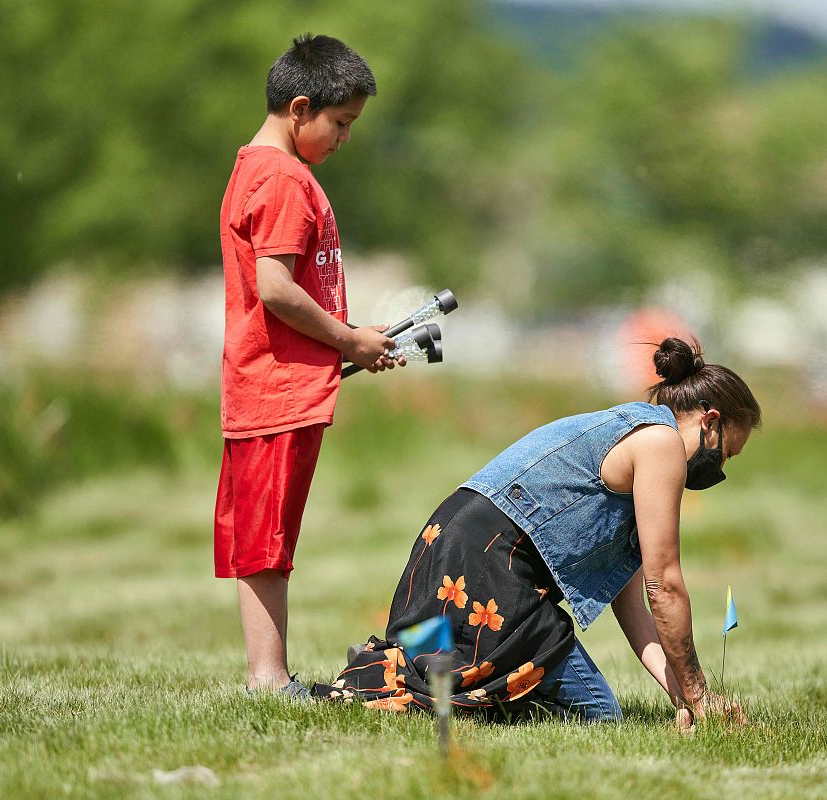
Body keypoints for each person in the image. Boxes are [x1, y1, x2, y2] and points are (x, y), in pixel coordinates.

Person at [311, 337, 761, 727]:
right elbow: (663, 583)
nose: (720, 469)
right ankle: (391, 684)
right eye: (728, 454)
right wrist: (703, 694)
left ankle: (398, 674)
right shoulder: (660, 444)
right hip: (492, 565)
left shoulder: (634, 428)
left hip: (454, 542)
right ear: (710, 421)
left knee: (515, 691)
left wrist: (681, 694)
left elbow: (630, 600)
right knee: (597, 717)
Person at [215, 33, 400, 698]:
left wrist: (349, 340)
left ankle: (270, 672)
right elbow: (276, 288)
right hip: (274, 390)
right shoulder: (285, 179)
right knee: (266, 544)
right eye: (341, 124)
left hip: (273, 386)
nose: (345, 138)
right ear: (300, 107)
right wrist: (349, 341)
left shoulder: (261, 168)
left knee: (267, 539)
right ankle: (268, 679)